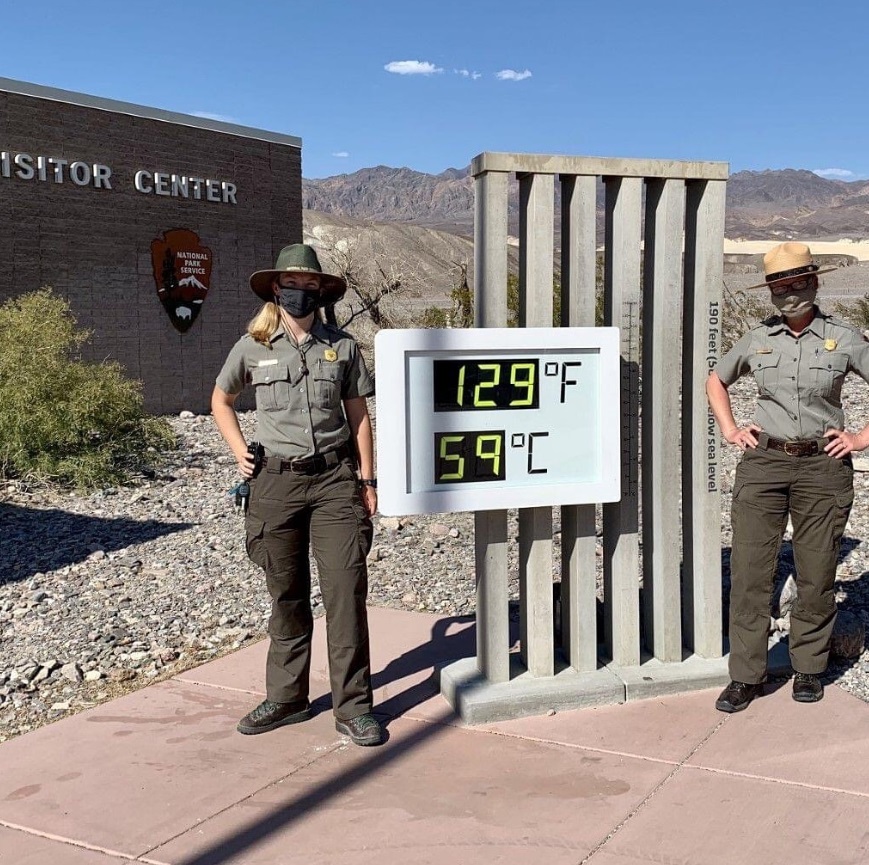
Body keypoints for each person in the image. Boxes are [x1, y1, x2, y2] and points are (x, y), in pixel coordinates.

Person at [211, 243, 383, 746]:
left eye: (310, 285)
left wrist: (367, 481)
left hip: (335, 482)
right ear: (275, 290)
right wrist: (238, 450)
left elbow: (359, 418)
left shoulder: (344, 347)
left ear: (321, 292)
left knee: (345, 593)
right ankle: (287, 698)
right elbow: (221, 399)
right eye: (292, 284)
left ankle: (353, 707)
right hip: (274, 484)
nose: (300, 292)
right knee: (285, 594)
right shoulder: (251, 346)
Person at [707, 241, 869, 713]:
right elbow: (716, 379)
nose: (790, 293)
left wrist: (859, 439)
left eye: (798, 283)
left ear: (815, 283)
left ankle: (808, 669)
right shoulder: (759, 339)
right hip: (764, 464)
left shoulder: (844, 337)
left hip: (823, 466)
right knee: (751, 573)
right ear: (771, 292)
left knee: (816, 574)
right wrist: (731, 428)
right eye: (780, 286)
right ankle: (746, 676)